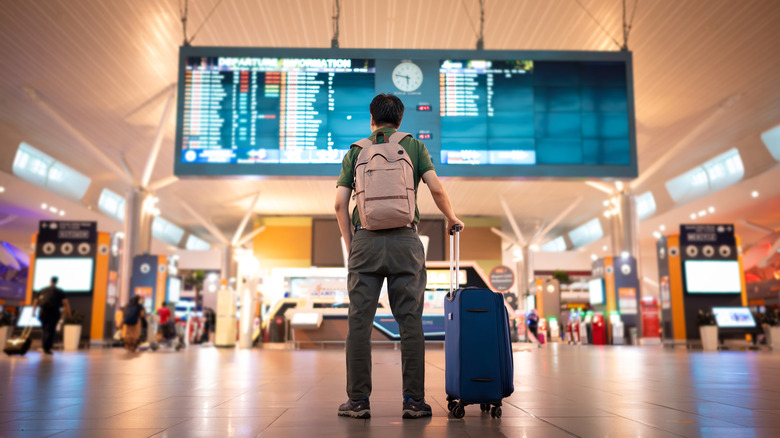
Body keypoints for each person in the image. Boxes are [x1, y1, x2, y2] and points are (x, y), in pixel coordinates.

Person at [334, 93, 464, 419]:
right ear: (400, 120)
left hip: (365, 240)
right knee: (410, 323)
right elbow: (436, 189)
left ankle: (358, 402)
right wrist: (451, 218)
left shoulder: (356, 151)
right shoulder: (414, 146)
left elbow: (338, 204)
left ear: (372, 119)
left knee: (359, 323)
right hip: (407, 240)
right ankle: (414, 402)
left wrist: (353, 244)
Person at [31, 276, 71, 355]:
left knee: (45, 329)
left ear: (50, 281)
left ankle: (44, 346)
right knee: (50, 330)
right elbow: (66, 304)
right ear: (57, 282)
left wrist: (33, 312)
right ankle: (46, 348)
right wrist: (68, 314)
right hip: (54, 312)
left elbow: (35, 301)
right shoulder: (59, 291)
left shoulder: (43, 290)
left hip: (42, 312)